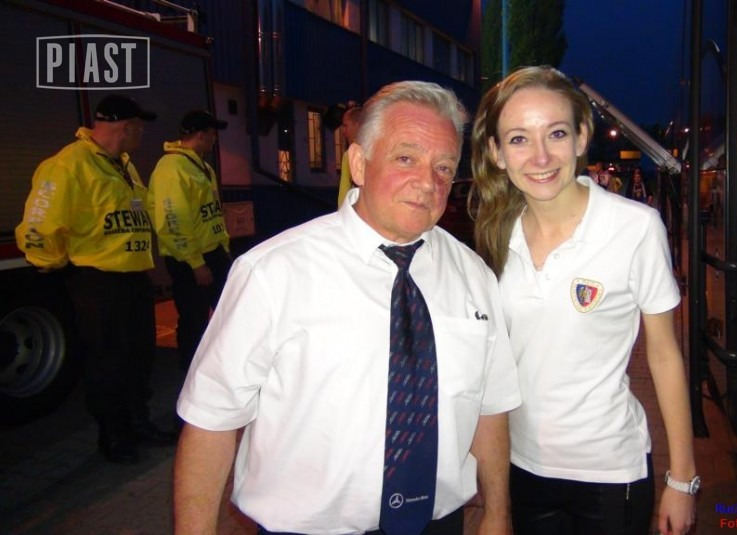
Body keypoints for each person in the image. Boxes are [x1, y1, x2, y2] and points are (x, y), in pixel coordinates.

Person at [174, 81, 522, 535]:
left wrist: (498, 511)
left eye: (443, 167)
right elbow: (211, 420)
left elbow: (491, 405)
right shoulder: (273, 272)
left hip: (438, 524)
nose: (427, 182)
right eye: (405, 158)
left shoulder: (473, 276)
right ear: (359, 163)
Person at [471, 66, 697, 535]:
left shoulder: (635, 228)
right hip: (522, 465)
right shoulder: (496, 234)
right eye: (518, 139)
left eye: (556, 133)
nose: (540, 156)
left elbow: (664, 355)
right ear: (496, 153)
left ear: (581, 138)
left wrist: (682, 477)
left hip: (609, 472)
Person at [15, 94, 177, 464]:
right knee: (107, 360)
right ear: (126, 127)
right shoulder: (68, 165)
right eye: (139, 127)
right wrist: (52, 262)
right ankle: (114, 435)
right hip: (97, 280)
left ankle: (138, 422)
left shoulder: (123, 165)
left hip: (132, 277)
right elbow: (39, 224)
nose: (142, 134)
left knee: (139, 356)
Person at [148, 110, 232, 372]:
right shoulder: (172, 168)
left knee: (228, 313)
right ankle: (192, 374)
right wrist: (196, 264)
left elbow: (210, 214)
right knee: (194, 320)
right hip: (191, 260)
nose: (215, 139)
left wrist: (223, 249)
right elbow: (172, 221)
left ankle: (221, 367)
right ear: (200, 135)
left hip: (213, 253)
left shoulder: (202, 167)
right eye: (212, 134)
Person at [337, 101, 364, 207]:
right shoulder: (379, 152)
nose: (343, 131)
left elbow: (343, 196)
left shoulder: (349, 155)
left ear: (358, 125)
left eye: (345, 126)